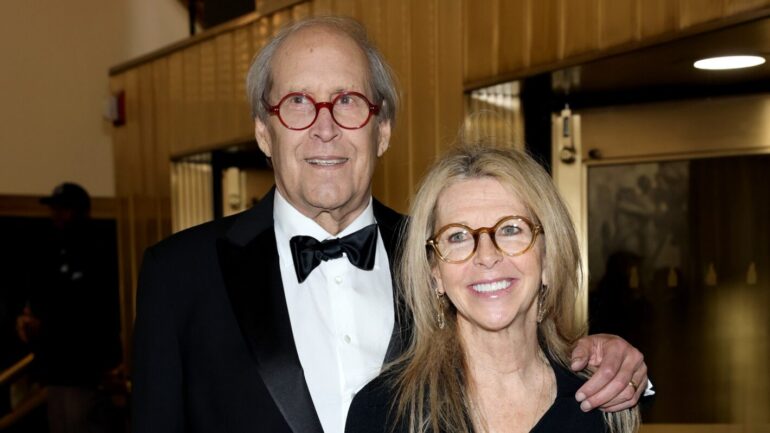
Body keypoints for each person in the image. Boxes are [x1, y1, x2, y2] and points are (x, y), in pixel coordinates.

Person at [131, 16, 647, 433]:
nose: (325, 128)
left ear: (382, 131)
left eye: (348, 101)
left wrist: (613, 360)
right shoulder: (180, 275)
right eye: (297, 104)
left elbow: (524, 354)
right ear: (264, 132)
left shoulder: (447, 256)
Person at [346, 144, 641, 433]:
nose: (486, 256)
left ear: (549, 258)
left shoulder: (603, 400)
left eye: (510, 229)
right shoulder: (382, 412)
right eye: (458, 236)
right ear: (435, 272)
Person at [17, 182, 122, 433]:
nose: (56, 215)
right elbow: (42, 298)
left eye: (63, 209)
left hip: (85, 368)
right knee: (62, 421)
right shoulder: (54, 252)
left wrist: (47, 323)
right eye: (55, 209)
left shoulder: (98, 251)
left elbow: (91, 312)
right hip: (57, 367)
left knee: (80, 421)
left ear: (80, 211)